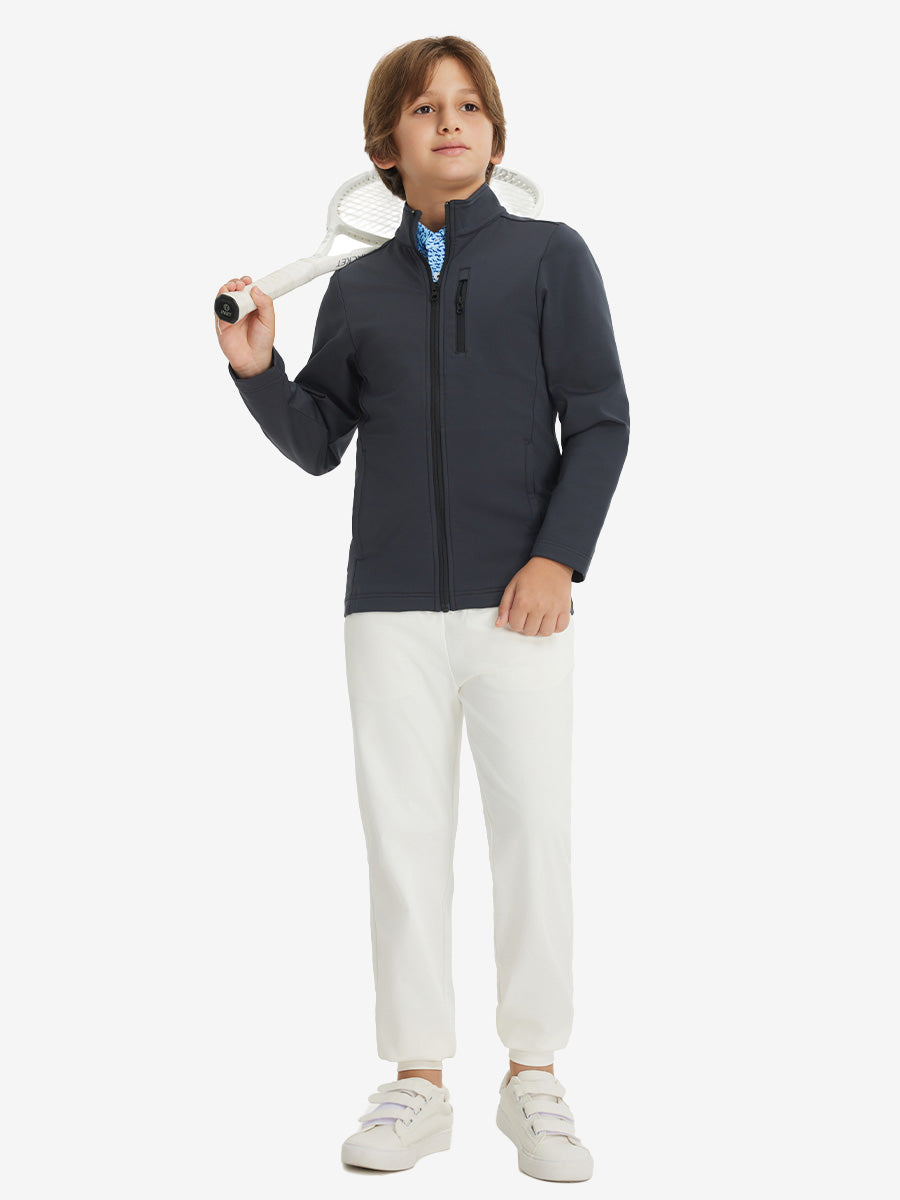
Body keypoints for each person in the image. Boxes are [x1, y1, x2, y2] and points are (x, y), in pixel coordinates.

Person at [214, 35, 629, 1183]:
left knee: (533, 836)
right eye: (425, 107)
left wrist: (556, 561)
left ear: (494, 134)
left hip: (520, 607)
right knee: (403, 843)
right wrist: (257, 370)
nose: (450, 121)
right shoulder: (356, 291)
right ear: (385, 147)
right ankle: (419, 1082)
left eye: (469, 105)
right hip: (387, 611)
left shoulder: (552, 258)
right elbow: (318, 443)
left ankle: (534, 1075)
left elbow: (601, 418)